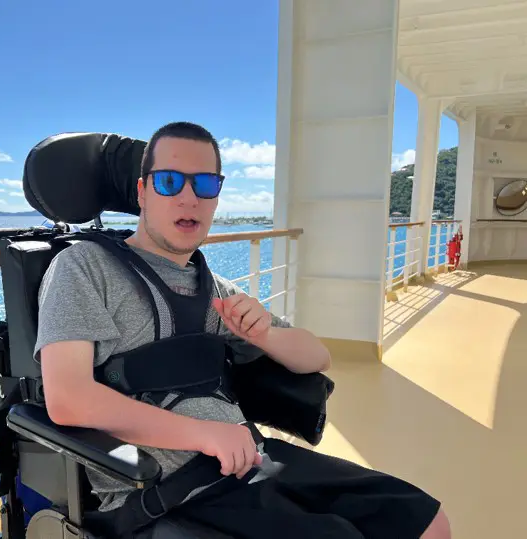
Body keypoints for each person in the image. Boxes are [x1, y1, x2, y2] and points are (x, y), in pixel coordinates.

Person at [34, 121, 451, 538]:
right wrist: (204, 435)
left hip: (252, 460)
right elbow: (68, 399)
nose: (189, 198)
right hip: (167, 491)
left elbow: (317, 357)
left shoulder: (212, 288)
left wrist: (263, 333)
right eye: (169, 181)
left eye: (205, 185)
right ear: (142, 192)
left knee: (426, 521)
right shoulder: (83, 268)